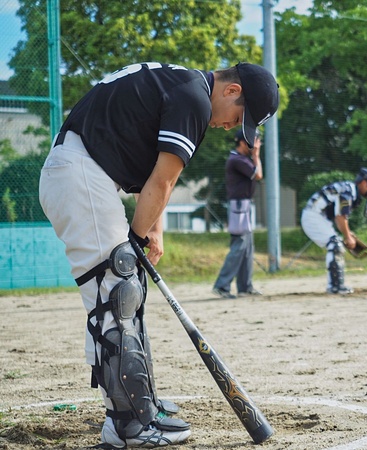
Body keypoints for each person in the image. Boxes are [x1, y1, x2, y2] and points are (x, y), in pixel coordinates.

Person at [39, 61, 279, 448]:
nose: (233, 126)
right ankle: (128, 424)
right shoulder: (194, 100)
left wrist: (152, 232)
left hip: (85, 173)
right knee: (117, 298)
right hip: (82, 176)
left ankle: (141, 406)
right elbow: (165, 180)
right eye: (240, 118)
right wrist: (135, 236)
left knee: (125, 297)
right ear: (231, 91)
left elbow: (149, 168)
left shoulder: (180, 85)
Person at [301, 168, 367, 294]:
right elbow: (340, 216)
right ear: (364, 182)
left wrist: (348, 234)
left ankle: (336, 285)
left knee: (336, 244)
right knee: (335, 245)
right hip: (313, 216)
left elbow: (337, 215)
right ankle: (335, 286)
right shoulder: (348, 191)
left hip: (319, 217)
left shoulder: (348, 188)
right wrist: (348, 237)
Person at [212, 129, 263, 299]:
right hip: (239, 205)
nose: (256, 145)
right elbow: (258, 175)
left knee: (247, 247)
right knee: (239, 245)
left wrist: (254, 155)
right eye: (253, 141)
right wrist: (256, 155)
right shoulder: (237, 159)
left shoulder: (240, 159)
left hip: (244, 205)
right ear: (242, 143)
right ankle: (222, 285)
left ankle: (245, 286)